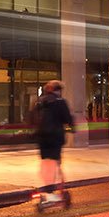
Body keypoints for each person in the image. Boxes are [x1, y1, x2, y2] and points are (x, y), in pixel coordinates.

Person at [32, 78, 74, 209]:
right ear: (58, 90)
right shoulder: (60, 102)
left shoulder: (39, 102)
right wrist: (70, 129)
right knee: (54, 164)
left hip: (41, 138)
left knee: (46, 163)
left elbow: (31, 118)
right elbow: (68, 120)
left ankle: (49, 190)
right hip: (55, 138)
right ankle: (51, 194)